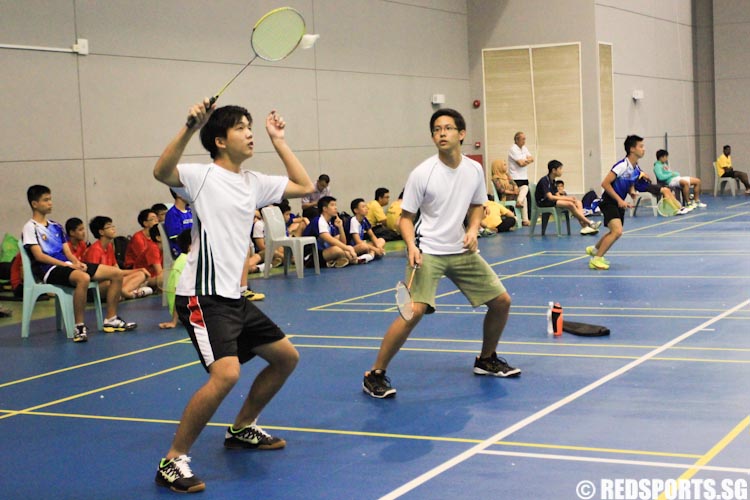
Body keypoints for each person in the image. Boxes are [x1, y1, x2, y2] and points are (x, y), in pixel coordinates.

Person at [152, 99, 314, 493]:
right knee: (226, 373)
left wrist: (280, 141)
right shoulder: (201, 175)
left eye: (251, 126)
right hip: (201, 294)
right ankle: (173, 460)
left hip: (233, 296)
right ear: (221, 140)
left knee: (285, 358)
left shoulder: (253, 181)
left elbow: (306, 187)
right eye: (242, 127)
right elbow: (161, 172)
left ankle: (241, 428)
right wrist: (190, 126)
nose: (250, 132)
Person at [362, 108, 520, 400]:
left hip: (460, 249)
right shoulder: (423, 173)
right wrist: (410, 246)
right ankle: (375, 374)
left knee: (501, 301)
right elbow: (406, 218)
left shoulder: (473, 170)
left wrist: (472, 230)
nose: (442, 133)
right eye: (436, 129)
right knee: (413, 312)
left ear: (461, 134)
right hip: (427, 251)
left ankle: (486, 359)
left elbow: (476, 205)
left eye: (448, 128)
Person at [22, 185, 136, 342]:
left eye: (50, 199)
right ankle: (79, 326)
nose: (50, 203)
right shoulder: (30, 228)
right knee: (83, 278)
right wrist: (68, 265)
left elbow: (67, 252)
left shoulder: (56, 226)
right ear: (34, 204)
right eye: (46, 200)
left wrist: (76, 262)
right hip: (49, 270)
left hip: (68, 265)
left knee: (116, 273)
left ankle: (111, 319)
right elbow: (39, 256)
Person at [587, 135, 644, 270]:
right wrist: (619, 200)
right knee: (617, 231)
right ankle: (596, 259)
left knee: (614, 232)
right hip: (609, 201)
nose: (643, 149)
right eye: (640, 146)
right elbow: (605, 183)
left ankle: (595, 250)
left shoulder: (635, 168)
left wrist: (631, 192)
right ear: (632, 149)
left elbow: (629, 182)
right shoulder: (622, 165)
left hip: (618, 202)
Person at [83, 216, 153, 299]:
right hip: (98, 286)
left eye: (113, 226)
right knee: (111, 282)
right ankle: (127, 293)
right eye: (109, 227)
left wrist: (139, 270)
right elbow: (93, 277)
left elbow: (118, 271)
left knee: (141, 274)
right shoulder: (94, 250)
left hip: (113, 280)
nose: (113, 229)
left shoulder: (109, 247)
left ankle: (124, 292)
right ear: (101, 232)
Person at [535, 160, 601, 235]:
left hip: (551, 201)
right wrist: (568, 199)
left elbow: (558, 196)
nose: (561, 171)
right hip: (543, 202)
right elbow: (550, 197)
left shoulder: (553, 181)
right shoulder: (544, 180)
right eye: (560, 169)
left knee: (578, 202)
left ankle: (585, 227)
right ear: (554, 170)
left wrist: (569, 198)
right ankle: (589, 223)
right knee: (570, 204)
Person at [302, 196, 358, 268]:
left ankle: (333, 262)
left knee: (342, 246)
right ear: (324, 209)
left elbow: (343, 242)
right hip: (309, 257)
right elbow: (329, 240)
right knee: (338, 250)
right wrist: (347, 248)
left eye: (335, 205)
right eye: (332, 205)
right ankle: (337, 260)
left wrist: (340, 227)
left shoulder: (331, 223)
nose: (335, 208)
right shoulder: (319, 221)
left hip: (323, 252)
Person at [159, 229, 192, 330]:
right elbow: (178, 291)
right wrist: (173, 321)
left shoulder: (191, 259)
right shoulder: (183, 262)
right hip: (186, 311)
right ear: (190, 246)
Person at [491, 159, 529, 226]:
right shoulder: (495, 178)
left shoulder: (506, 175)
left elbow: (513, 183)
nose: (506, 166)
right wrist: (513, 192)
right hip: (506, 197)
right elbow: (501, 190)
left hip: (514, 194)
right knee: (524, 198)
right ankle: (524, 220)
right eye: (504, 165)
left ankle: (519, 202)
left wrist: (516, 188)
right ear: (498, 166)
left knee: (525, 187)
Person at [507, 131, 534, 210]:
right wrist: (527, 160)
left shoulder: (524, 148)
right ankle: (517, 213)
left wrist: (525, 161)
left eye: (525, 139)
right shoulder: (513, 149)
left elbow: (532, 158)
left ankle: (527, 219)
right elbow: (520, 164)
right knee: (519, 197)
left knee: (528, 199)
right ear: (517, 140)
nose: (524, 141)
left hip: (524, 177)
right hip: (516, 178)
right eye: (523, 139)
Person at [164, 189, 193, 259]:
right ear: (178, 194)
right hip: (182, 250)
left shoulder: (190, 211)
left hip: (194, 246)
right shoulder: (172, 214)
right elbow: (177, 238)